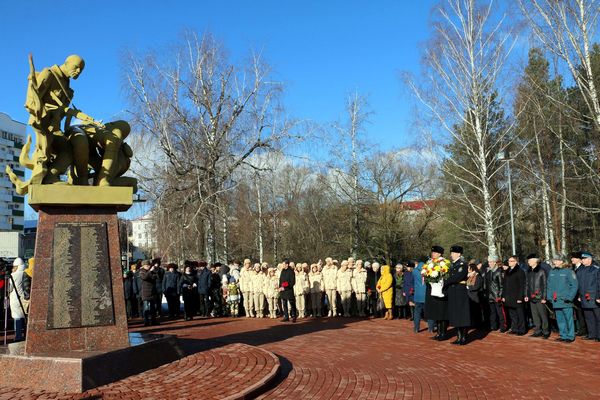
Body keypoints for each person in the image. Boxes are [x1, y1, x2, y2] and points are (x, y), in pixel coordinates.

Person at [547, 254, 578, 343]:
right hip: (556, 300)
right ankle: (563, 335)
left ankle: (570, 336)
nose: (554, 262)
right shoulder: (552, 272)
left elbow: (574, 286)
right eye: (554, 260)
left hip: (565, 300)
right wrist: (549, 296)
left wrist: (569, 297)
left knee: (569, 319)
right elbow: (549, 285)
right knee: (560, 319)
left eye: (556, 260)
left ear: (562, 261)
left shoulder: (568, 271)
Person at [445, 245, 470, 345]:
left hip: (460, 292)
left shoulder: (462, 264)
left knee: (461, 315)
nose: (452, 255)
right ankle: (458, 337)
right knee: (455, 315)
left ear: (459, 254)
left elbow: (457, 277)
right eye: (451, 253)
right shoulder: (452, 264)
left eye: (453, 253)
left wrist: (445, 282)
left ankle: (463, 338)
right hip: (453, 292)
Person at [425, 246, 449, 340]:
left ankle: (443, 333)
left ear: (439, 254)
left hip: (441, 291)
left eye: (435, 252)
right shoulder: (430, 262)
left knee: (442, 313)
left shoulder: (444, 262)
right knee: (436, 314)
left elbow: (445, 275)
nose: (433, 254)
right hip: (432, 290)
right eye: (432, 252)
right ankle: (438, 333)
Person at [525, 254, 550, 339]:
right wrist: (526, 295)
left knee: (543, 315)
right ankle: (537, 331)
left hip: (540, 297)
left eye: (530, 260)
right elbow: (527, 284)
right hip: (531, 297)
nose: (528, 262)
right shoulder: (528, 271)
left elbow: (545, 285)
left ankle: (546, 331)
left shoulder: (541, 271)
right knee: (535, 315)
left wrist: (544, 297)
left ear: (535, 261)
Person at [577, 252, 600, 342]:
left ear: (589, 259)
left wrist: (599, 296)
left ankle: (599, 335)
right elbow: (579, 284)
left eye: (584, 259)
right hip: (584, 297)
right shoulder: (580, 270)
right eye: (582, 259)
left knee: (598, 317)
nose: (582, 260)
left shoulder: (596, 269)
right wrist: (579, 295)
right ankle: (591, 334)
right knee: (588, 317)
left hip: (594, 297)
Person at [503, 255, 526, 335]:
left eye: (511, 261)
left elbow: (522, 286)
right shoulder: (507, 271)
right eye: (509, 261)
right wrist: (503, 296)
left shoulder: (520, 271)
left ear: (516, 262)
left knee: (520, 314)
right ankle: (514, 328)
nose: (509, 262)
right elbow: (504, 285)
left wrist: (520, 297)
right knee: (512, 314)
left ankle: (522, 329)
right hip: (508, 296)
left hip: (517, 296)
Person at [485, 255, 506, 332]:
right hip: (490, 296)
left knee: (500, 312)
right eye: (488, 262)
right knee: (492, 312)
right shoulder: (489, 271)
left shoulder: (499, 272)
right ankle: (493, 326)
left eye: (490, 262)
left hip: (497, 296)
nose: (489, 263)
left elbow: (501, 285)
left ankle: (503, 327)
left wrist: (500, 296)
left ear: (495, 262)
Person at [412, 261, 434, 333]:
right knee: (430, 312)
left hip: (417, 295)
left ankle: (416, 328)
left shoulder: (415, 271)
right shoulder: (429, 271)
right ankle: (431, 328)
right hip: (426, 295)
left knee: (417, 312)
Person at [9, 258, 27, 341]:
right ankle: (26, 334)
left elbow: (10, 288)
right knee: (23, 316)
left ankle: (18, 336)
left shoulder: (13, 275)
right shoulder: (25, 273)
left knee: (17, 317)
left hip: (14, 298)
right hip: (23, 297)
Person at [571, 251, 588, 337]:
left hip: (580, 295)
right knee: (578, 313)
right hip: (575, 295)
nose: (572, 259)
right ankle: (581, 329)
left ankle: (584, 330)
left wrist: (579, 295)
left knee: (583, 313)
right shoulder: (573, 268)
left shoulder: (582, 268)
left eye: (573, 258)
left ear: (579, 259)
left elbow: (581, 283)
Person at [139, 260, 159, 326]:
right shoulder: (142, 271)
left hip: (152, 292)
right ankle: (146, 321)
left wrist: (155, 270)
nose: (148, 266)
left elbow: (156, 277)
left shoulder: (151, 271)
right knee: (146, 308)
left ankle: (153, 321)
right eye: (147, 265)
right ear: (143, 266)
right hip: (145, 293)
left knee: (153, 308)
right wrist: (150, 271)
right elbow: (145, 277)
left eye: (149, 265)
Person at [466, 262, 483, 328]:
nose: (468, 269)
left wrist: (468, 287)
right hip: (470, 296)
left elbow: (476, 286)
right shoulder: (469, 276)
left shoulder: (478, 276)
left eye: (469, 268)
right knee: (471, 311)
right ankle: (472, 324)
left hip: (475, 296)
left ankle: (478, 324)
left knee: (476, 311)